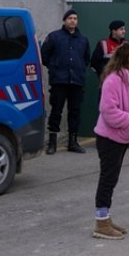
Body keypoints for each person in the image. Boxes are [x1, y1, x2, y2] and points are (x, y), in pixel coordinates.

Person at [91, 42, 129, 240]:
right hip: (109, 138)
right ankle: (101, 223)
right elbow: (108, 110)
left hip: (121, 137)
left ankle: (106, 217)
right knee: (107, 179)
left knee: (111, 179)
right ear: (124, 60)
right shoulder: (113, 80)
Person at [40, 9, 91, 155]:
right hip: (59, 81)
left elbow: (86, 58)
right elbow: (44, 55)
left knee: (75, 112)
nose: (73, 21)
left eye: (75, 18)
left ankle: (73, 142)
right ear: (64, 20)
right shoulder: (54, 37)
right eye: (70, 18)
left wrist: (80, 69)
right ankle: (52, 143)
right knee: (56, 111)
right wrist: (54, 67)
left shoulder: (83, 39)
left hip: (76, 81)